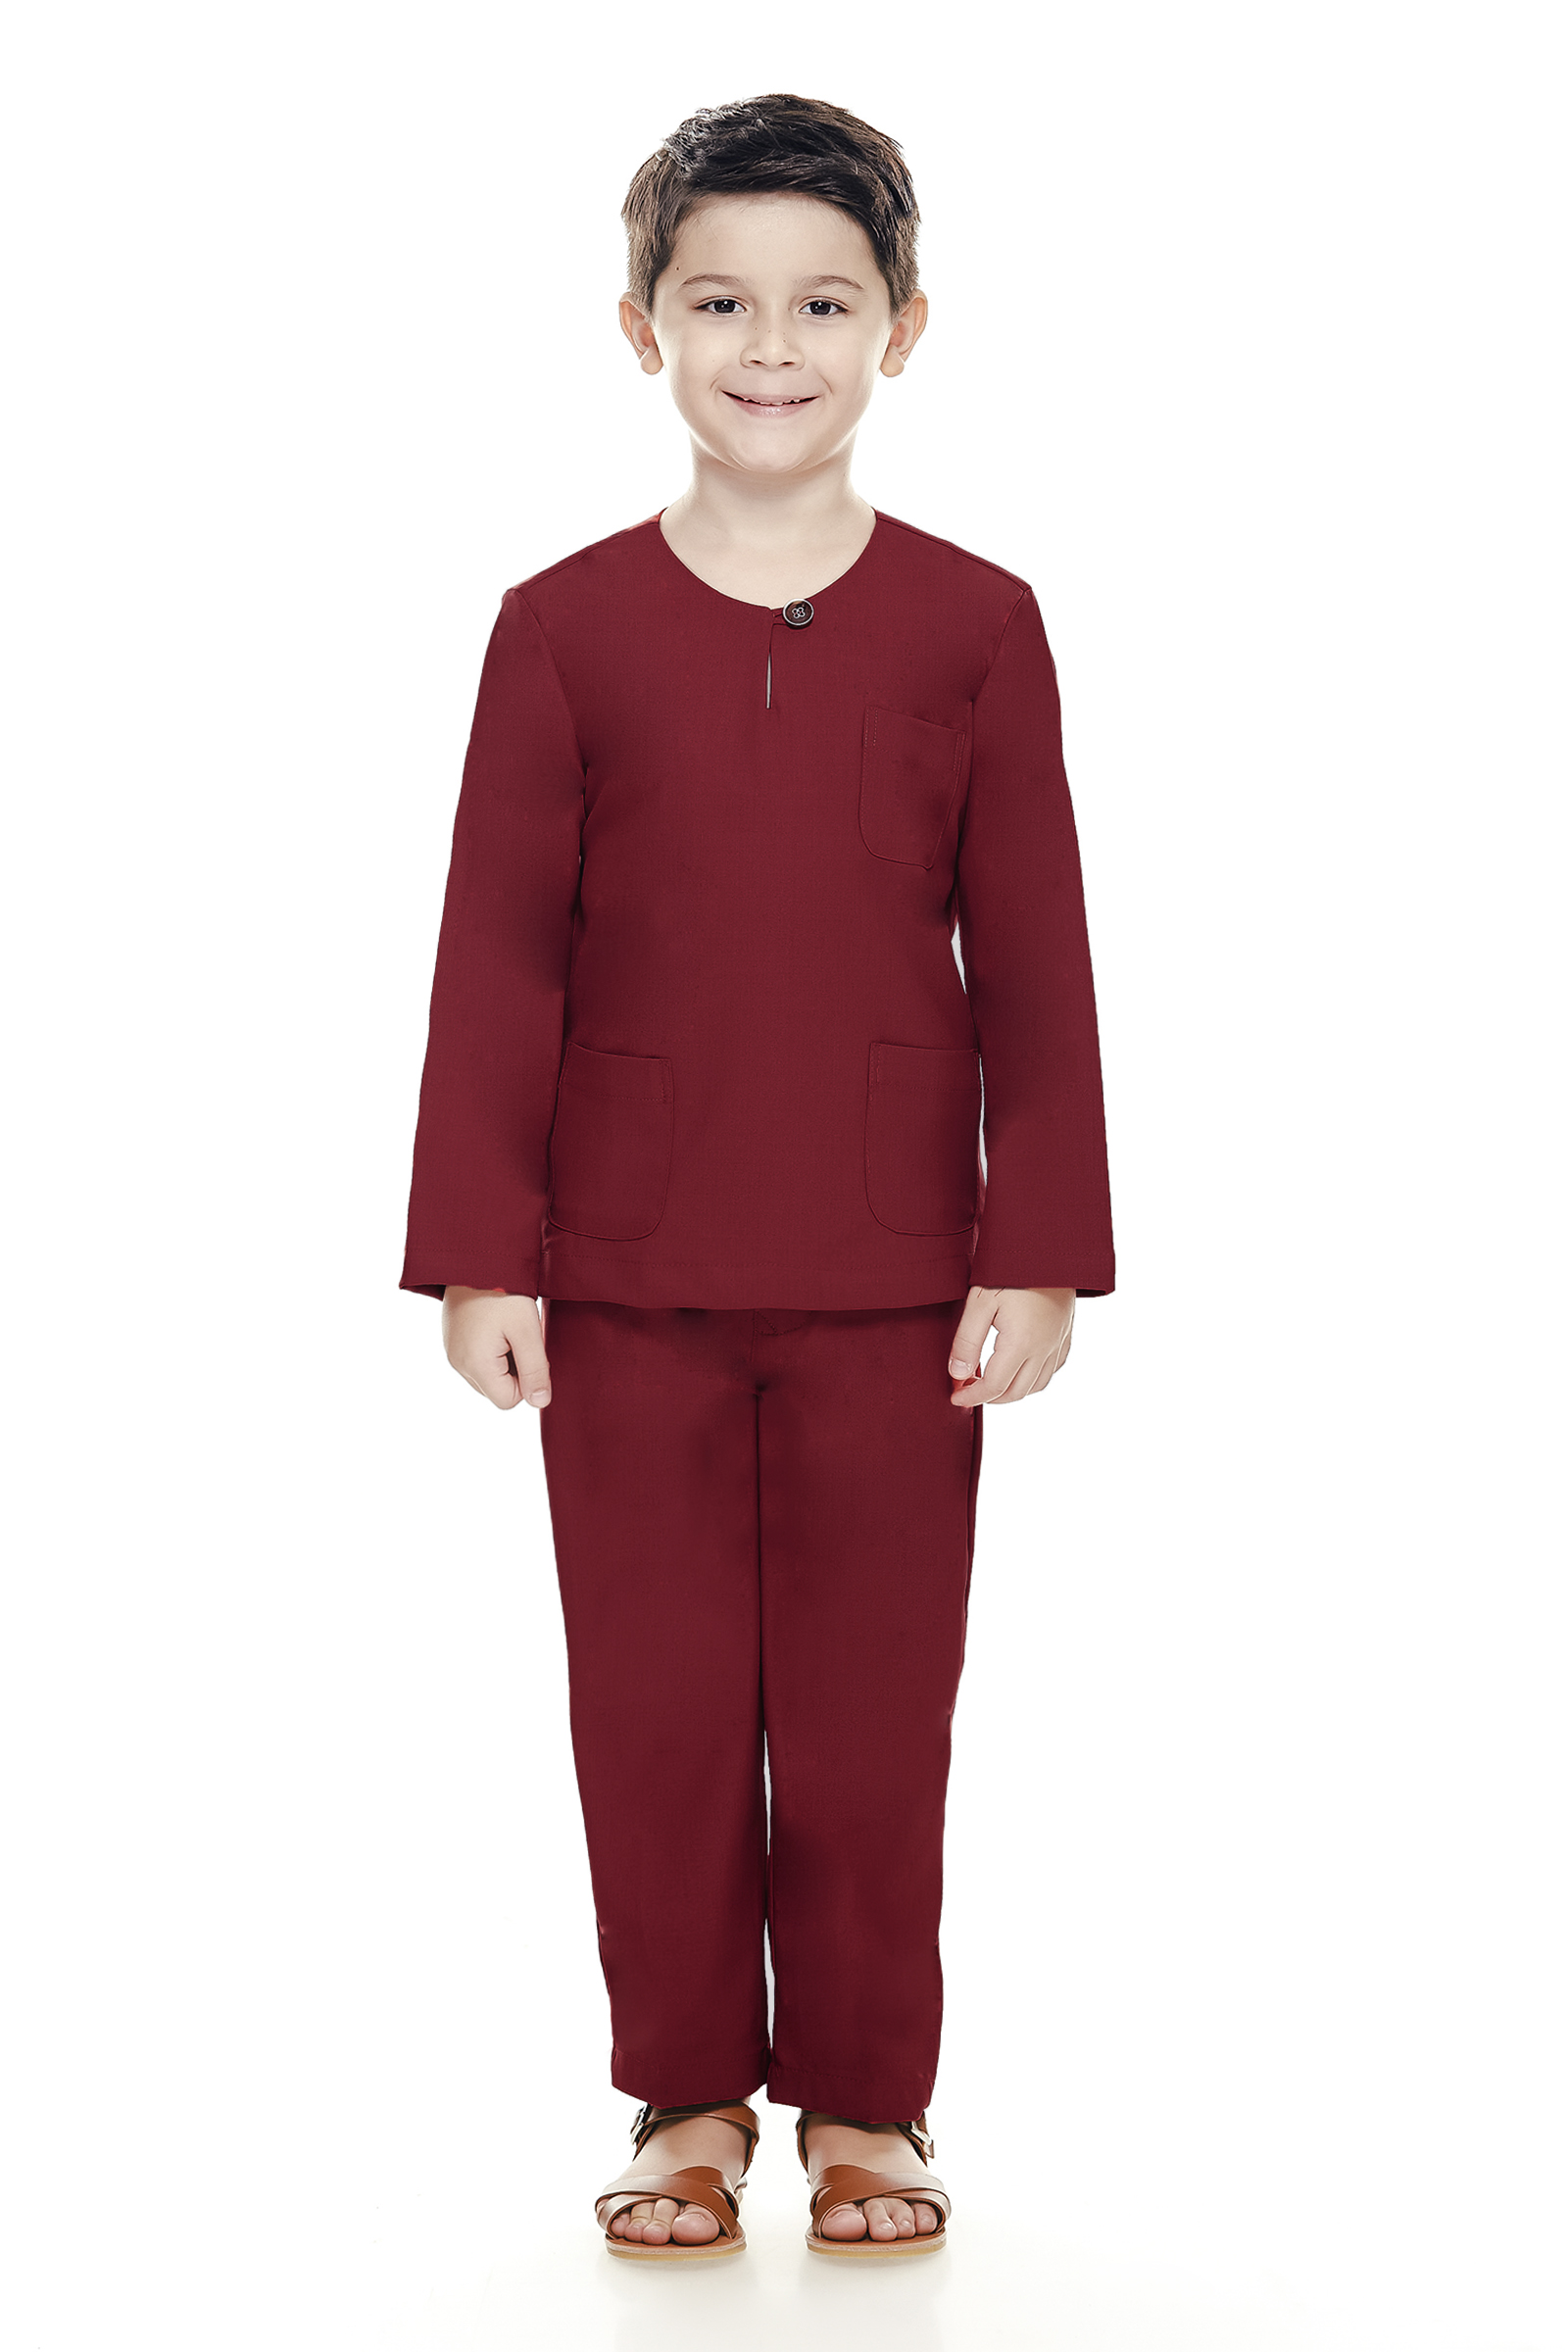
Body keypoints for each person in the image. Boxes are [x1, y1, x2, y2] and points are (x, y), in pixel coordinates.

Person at [400, 92, 1115, 2262]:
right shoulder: (561, 628)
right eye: (719, 303)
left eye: (822, 303)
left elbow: (1038, 952)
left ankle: (870, 2104)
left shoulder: (976, 624)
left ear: (904, 326)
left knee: (877, 1717)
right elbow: (499, 954)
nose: (770, 347)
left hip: (901, 1279)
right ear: (642, 327)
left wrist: (1040, 1245)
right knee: (653, 1709)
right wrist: (480, 1251)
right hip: (620, 1272)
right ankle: (688, 2093)